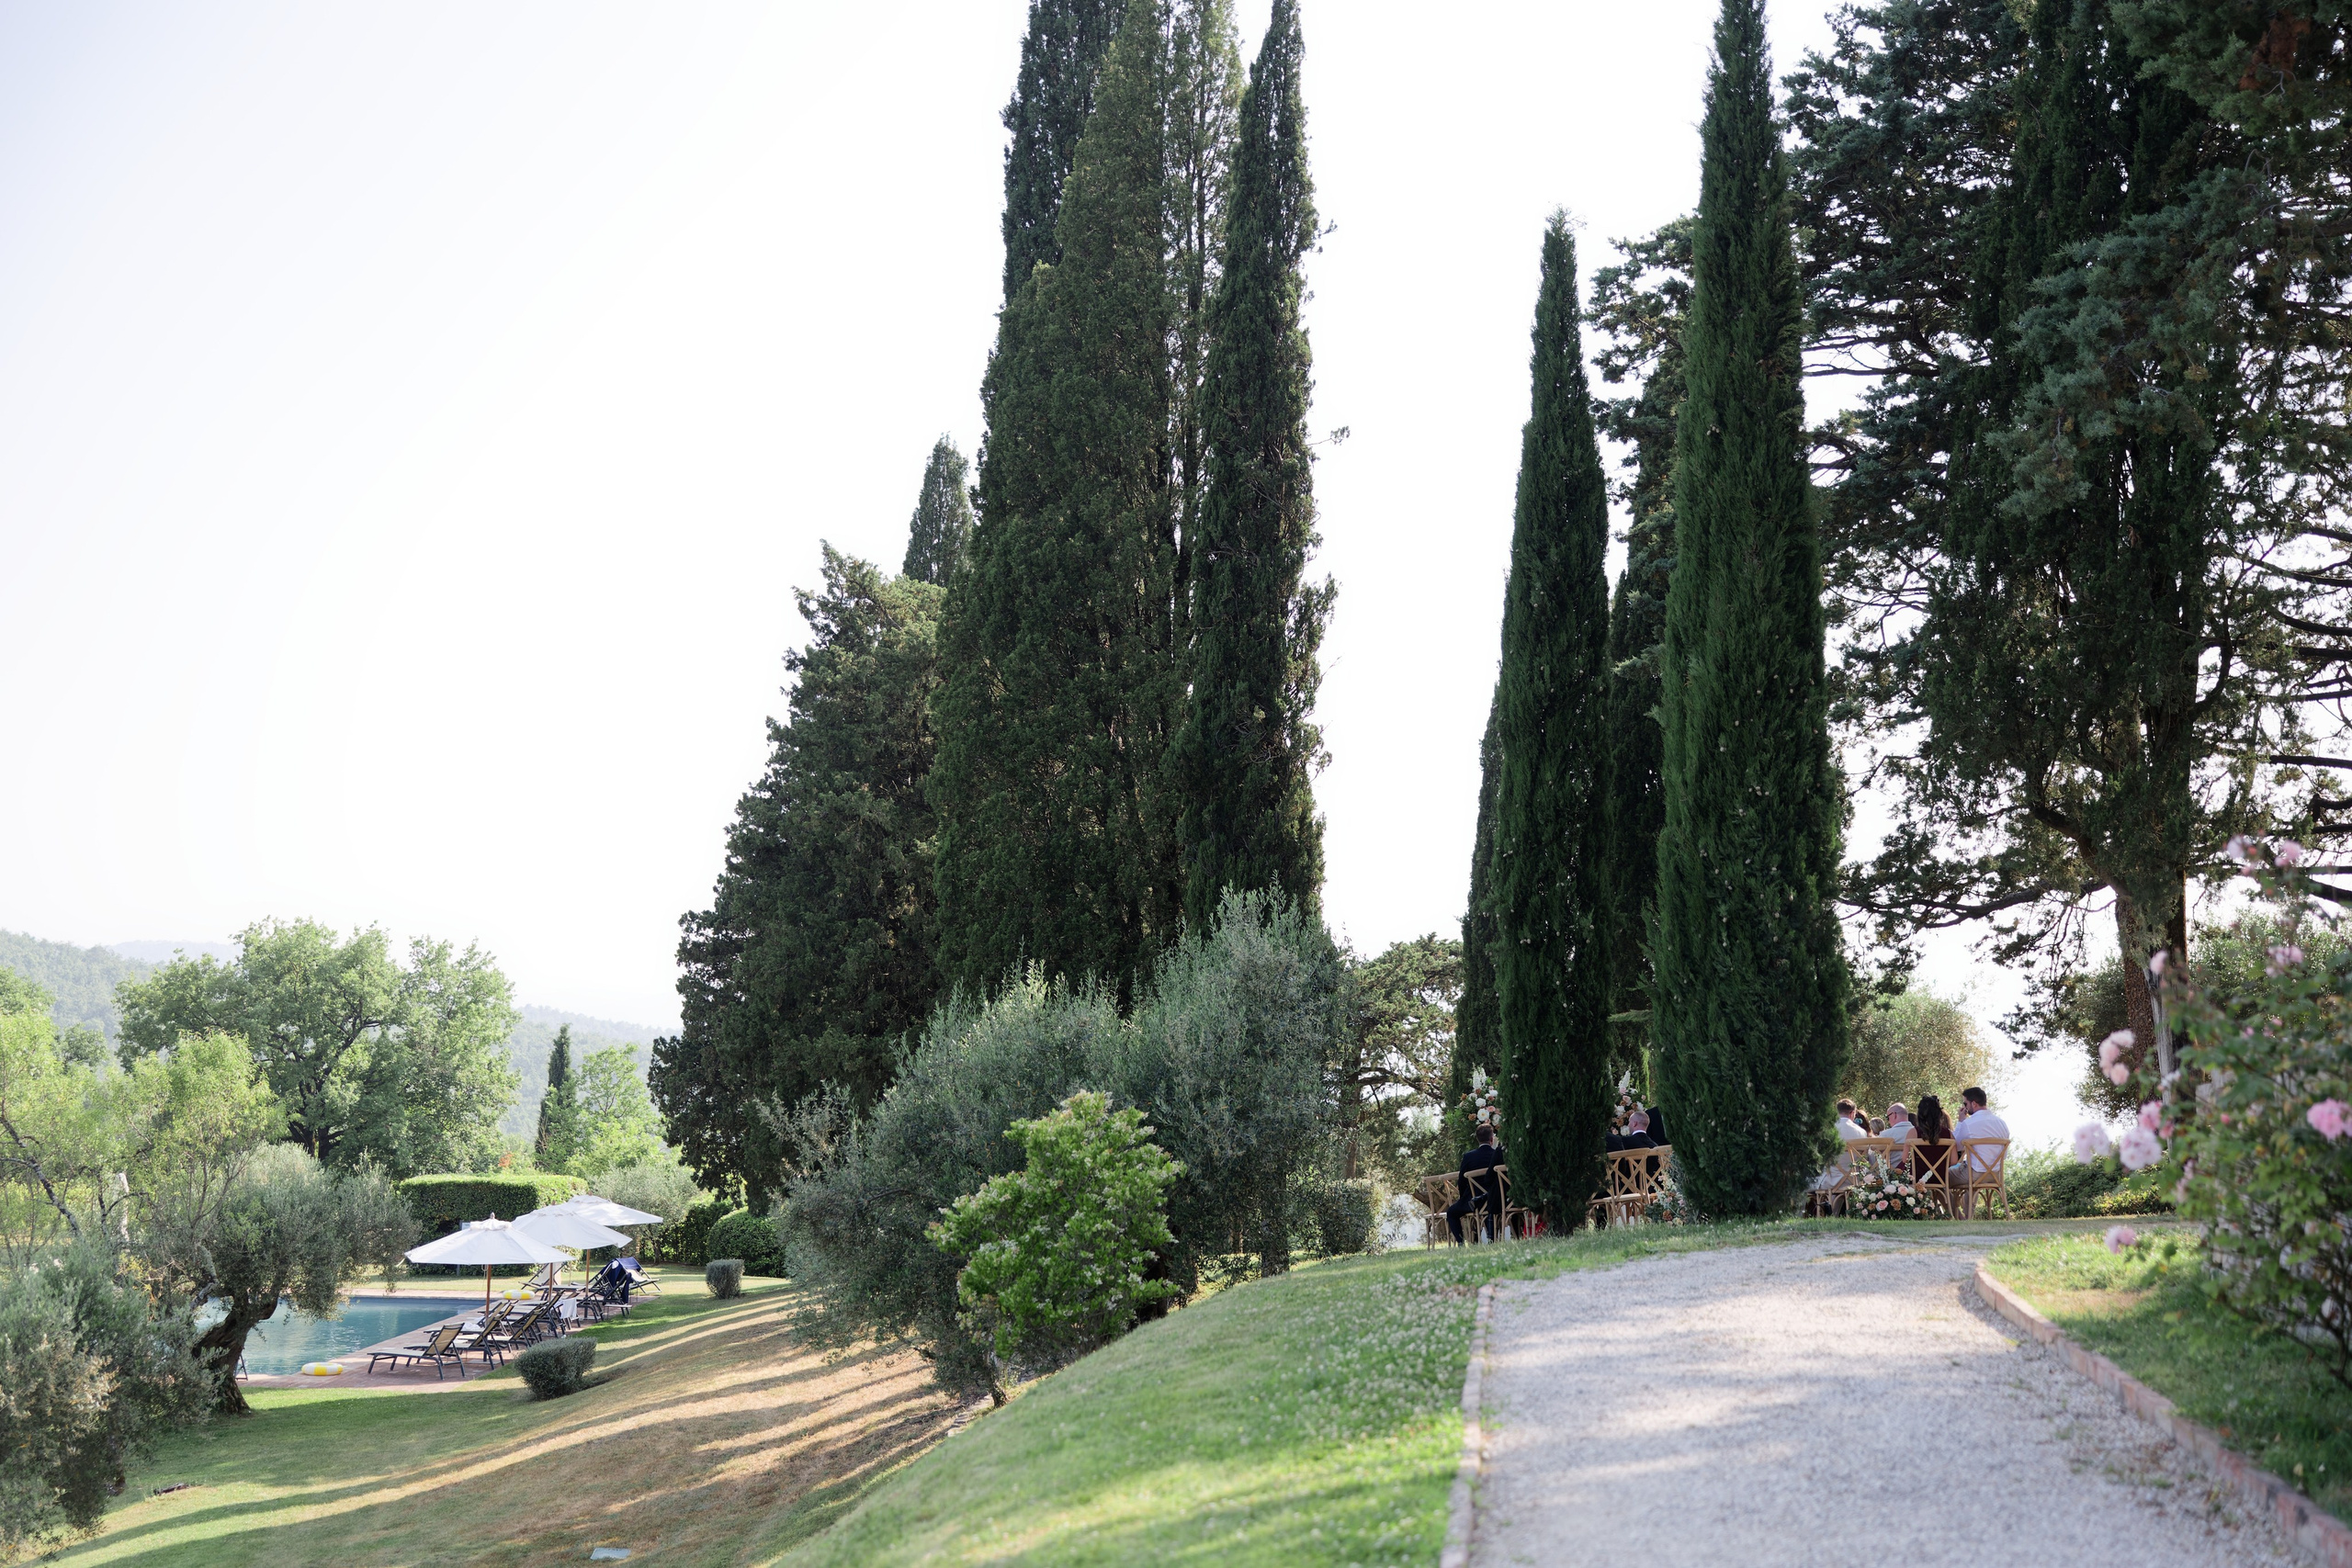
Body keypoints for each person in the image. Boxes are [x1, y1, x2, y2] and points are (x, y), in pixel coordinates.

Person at [1447, 1122, 1508, 1244]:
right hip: (1496, 1199)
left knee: (1451, 1212)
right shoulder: (1498, 1155)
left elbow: (1462, 1181)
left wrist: (1464, 1198)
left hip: (1473, 1201)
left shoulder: (1469, 1157)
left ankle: (1460, 1242)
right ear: (1492, 1139)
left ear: (1477, 1139)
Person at [1953, 1087, 2009, 1179]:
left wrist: (1960, 1121)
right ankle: (1972, 1194)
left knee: (1943, 1177)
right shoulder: (2002, 1124)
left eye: (1965, 1103)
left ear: (1974, 1103)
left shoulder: (1968, 1123)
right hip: (1995, 1176)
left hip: (1974, 1175)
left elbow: (1957, 1147)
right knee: (1970, 1184)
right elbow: (2004, 1156)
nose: (1965, 1107)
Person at [1908, 1095, 1953, 1184]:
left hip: (1917, 1177)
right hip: (1941, 1177)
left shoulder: (1913, 1132)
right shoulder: (1948, 1134)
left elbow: (1904, 1159)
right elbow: (1954, 1161)